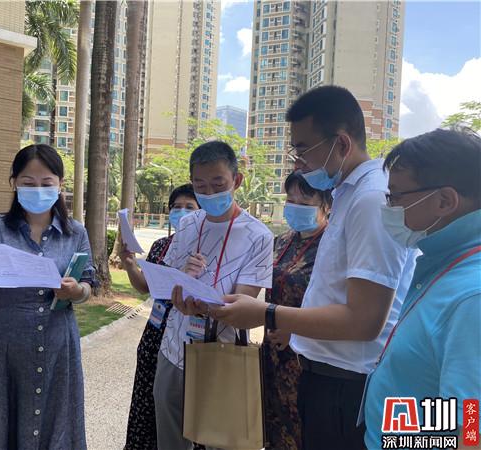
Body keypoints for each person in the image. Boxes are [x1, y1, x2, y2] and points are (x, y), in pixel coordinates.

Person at [175, 86, 417, 450]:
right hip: (326, 374)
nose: (297, 163)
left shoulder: (369, 200)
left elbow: (366, 320)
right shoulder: (349, 195)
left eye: (303, 150)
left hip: (348, 384)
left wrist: (267, 313)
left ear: (341, 143)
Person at [0, 144, 95, 449]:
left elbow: (88, 284)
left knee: (57, 423)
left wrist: (77, 291)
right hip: (4, 350)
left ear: (60, 185)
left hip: (58, 346)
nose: (38, 190)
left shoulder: (75, 232)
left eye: (46, 183)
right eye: (28, 183)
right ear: (14, 183)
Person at [363, 128, 481, 449]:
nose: (388, 207)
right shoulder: (444, 265)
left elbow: (471, 431)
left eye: (396, 196)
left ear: (444, 201)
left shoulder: (471, 296)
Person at [157, 141, 274, 450]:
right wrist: (182, 281)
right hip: (174, 348)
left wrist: (203, 306)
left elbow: (243, 304)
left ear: (237, 180)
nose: (209, 193)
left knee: (221, 441)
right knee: (170, 438)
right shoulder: (188, 224)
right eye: (200, 186)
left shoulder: (258, 236)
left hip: (222, 352)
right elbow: (168, 281)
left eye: (218, 184)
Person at [119, 183, 201, 450]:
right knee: (149, 404)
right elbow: (146, 287)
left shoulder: (205, 250)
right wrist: (130, 264)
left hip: (187, 339)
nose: (182, 212)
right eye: (176, 207)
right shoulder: (161, 246)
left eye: (189, 207)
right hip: (155, 336)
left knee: (183, 413)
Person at [263, 172, 331, 450]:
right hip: (272, 353)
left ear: (327, 205)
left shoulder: (332, 246)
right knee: (271, 426)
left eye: (305, 202)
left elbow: (336, 303)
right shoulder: (283, 241)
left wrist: (294, 332)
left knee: (300, 432)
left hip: (305, 357)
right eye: (291, 200)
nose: (295, 207)